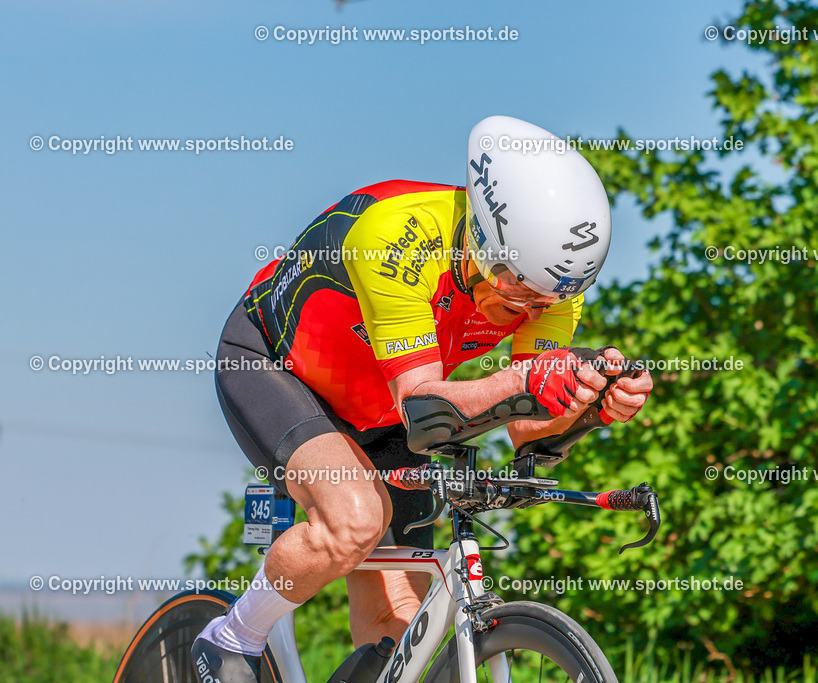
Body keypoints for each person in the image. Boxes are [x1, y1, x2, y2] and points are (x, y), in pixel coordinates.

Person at [191, 115, 653, 681]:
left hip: (382, 409)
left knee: (399, 635)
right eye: (519, 295)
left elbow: (526, 430)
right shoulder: (396, 238)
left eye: (547, 301)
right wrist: (528, 382)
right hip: (277, 365)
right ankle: (231, 638)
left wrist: (589, 407)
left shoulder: (548, 288)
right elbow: (425, 409)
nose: (533, 312)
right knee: (354, 520)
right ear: (484, 241)